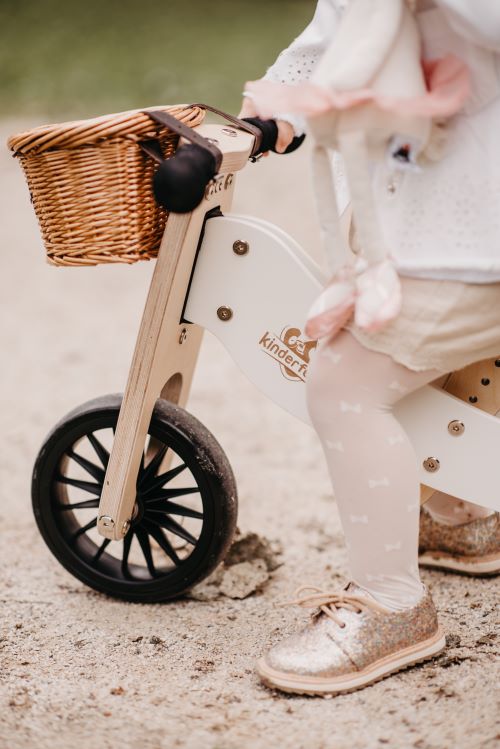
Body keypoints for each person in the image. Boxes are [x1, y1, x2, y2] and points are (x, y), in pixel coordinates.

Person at [239, 0, 500, 696]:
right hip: (421, 223)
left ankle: (391, 604)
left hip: (475, 234)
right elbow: (330, 36)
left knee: (345, 381)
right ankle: (462, 519)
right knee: (436, 361)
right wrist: (272, 114)